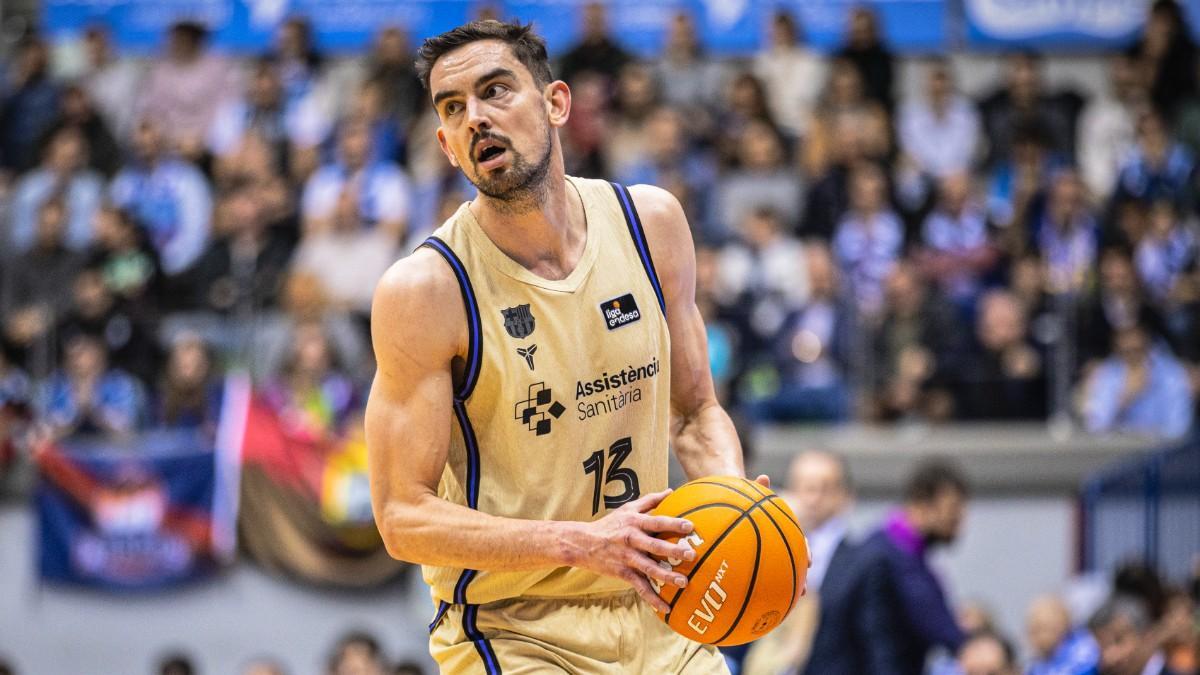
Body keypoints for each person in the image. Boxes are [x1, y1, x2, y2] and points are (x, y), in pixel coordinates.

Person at [367, 19, 769, 674]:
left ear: (556, 103)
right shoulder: (426, 289)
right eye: (455, 108)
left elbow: (696, 413)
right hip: (514, 626)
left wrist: (734, 508)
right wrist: (581, 542)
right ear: (445, 144)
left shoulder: (651, 224)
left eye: (496, 91)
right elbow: (401, 514)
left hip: (657, 598)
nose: (477, 118)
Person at [807, 459, 970, 675]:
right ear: (922, 505)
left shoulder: (883, 545)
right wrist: (972, 645)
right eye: (952, 508)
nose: (958, 520)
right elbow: (934, 620)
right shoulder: (892, 557)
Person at [743, 451, 853, 675]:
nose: (813, 498)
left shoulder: (863, 560)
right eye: (806, 488)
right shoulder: (756, 553)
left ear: (844, 496)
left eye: (824, 489)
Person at [1079, 322, 1193, 439]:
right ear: (1117, 351)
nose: (1133, 357)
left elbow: (1179, 428)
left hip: (1161, 450)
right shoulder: (1107, 374)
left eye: (1138, 350)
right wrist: (1125, 399)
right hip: (1120, 449)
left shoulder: (1171, 374)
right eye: (1126, 352)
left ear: (1148, 347)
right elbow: (1095, 426)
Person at [1026, 594, 1101, 675]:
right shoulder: (1037, 666)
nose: (1033, 638)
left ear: (1059, 626)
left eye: (1039, 629)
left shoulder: (1084, 650)